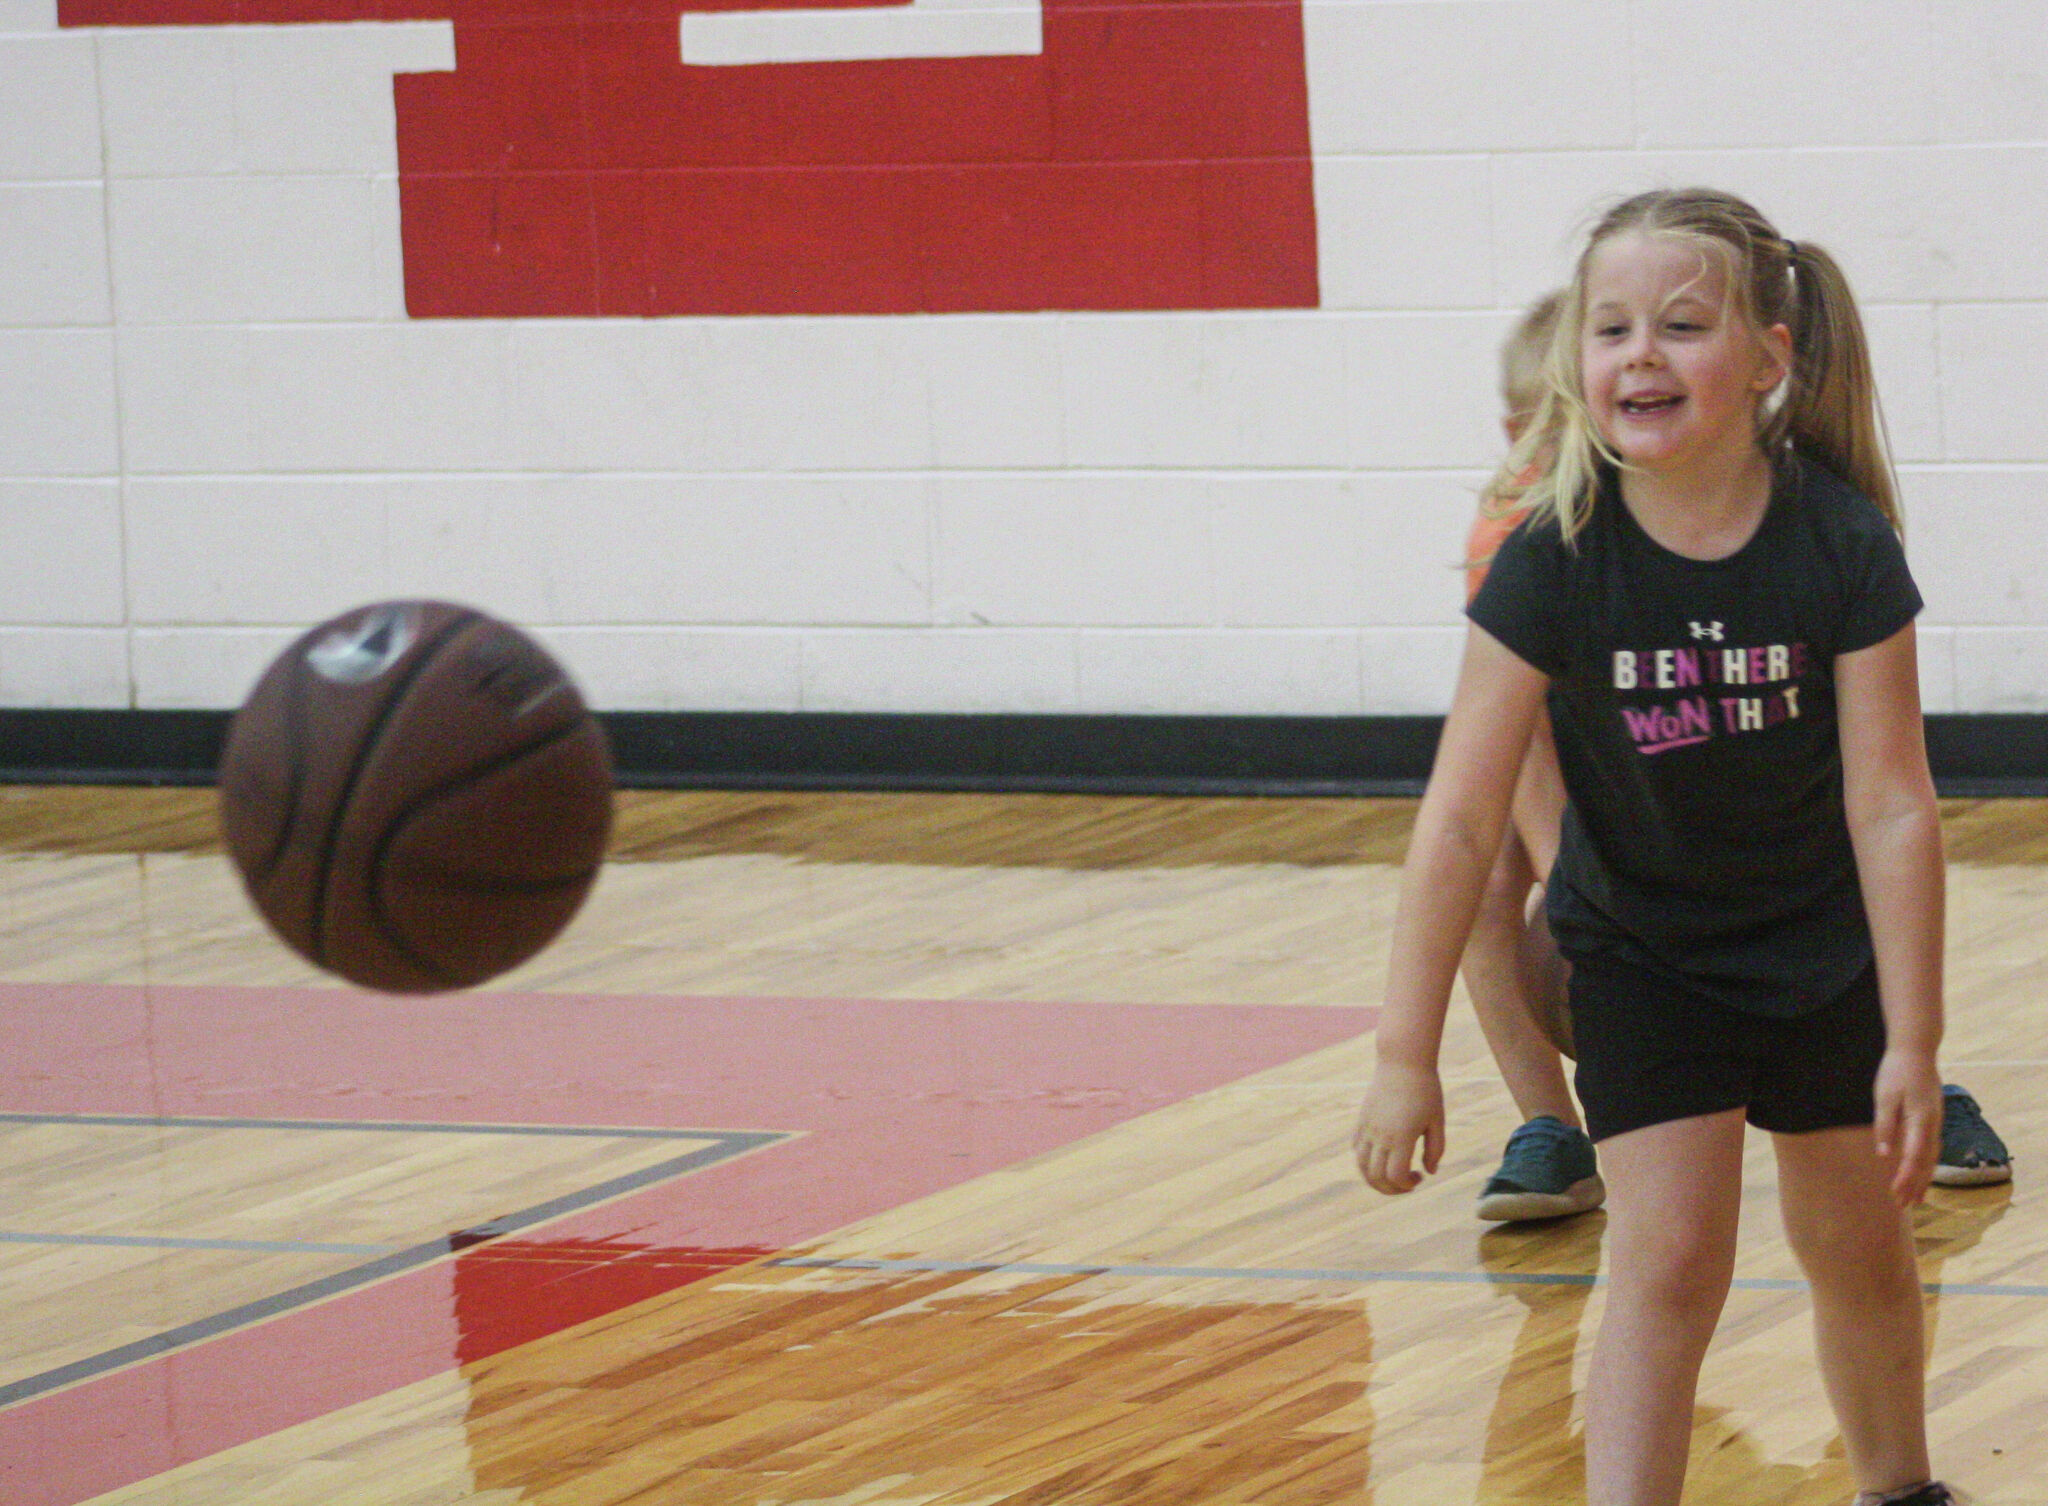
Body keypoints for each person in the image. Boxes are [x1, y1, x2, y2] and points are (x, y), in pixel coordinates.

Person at [1355, 188, 1961, 1506]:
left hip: (1825, 953)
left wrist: (1913, 1036)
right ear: (1578, 362)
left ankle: (1899, 1487)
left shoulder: (1840, 544)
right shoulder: (1552, 560)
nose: (1640, 352)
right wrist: (1405, 1053)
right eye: (1610, 325)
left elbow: (1895, 806)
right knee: (1669, 1255)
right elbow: (1459, 818)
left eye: (1682, 325)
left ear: (1767, 360)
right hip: (1644, 957)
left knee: (1858, 1245)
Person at [1463, 295, 2011, 1224]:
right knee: (1475, 870)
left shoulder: (1794, 525)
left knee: (1846, 858)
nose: (1537, 455)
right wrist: (1569, 880)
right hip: (1618, 805)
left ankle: (1905, 1074)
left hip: (1770, 812)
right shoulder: (1522, 540)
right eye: (1531, 431)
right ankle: (1551, 1127)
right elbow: (1511, 750)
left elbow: (1879, 791)